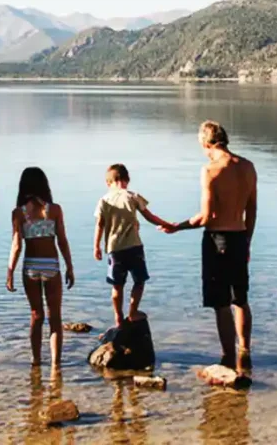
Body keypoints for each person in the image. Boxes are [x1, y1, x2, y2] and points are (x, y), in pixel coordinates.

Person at [163, 121, 257, 375]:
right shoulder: (248, 167)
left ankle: (227, 356)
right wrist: (247, 241)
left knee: (221, 302)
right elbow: (252, 209)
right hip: (239, 237)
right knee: (241, 298)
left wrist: (177, 226)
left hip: (217, 240)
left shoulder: (210, 170)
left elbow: (205, 217)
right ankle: (245, 352)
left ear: (206, 143)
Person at [6, 167, 75, 366]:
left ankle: (35, 361)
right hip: (51, 264)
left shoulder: (19, 213)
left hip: (30, 266)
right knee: (55, 317)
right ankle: (55, 364)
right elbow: (62, 240)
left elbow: (17, 245)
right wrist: (69, 266)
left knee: (36, 315)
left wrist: (10, 271)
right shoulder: (54, 210)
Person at [94, 164, 172, 326]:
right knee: (139, 281)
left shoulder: (103, 200)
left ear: (108, 183)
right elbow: (149, 216)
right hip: (134, 247)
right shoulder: (133, 196)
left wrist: (96, 246)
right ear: (127, 180)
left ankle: (118, 317)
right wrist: (168, 224)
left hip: (114, 249)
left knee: (117, 286)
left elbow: (99, 225)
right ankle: (132, 311)